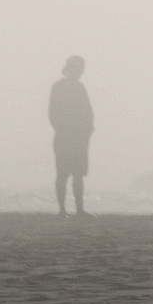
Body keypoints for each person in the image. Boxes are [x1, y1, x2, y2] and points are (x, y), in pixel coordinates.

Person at [48, 55, 95, 217]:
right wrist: (65, 130)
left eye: (81, 69)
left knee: (78, 175)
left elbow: (88, 112)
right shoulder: (58, 87)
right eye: (77, 69)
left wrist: (88, 130)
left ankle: (79, 210)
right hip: (64, 138)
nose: (80, 72)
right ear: (69, 69)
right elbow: (53, 113)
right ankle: (62, 210)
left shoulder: (80, 87)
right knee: (63, 174)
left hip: (79, 138)